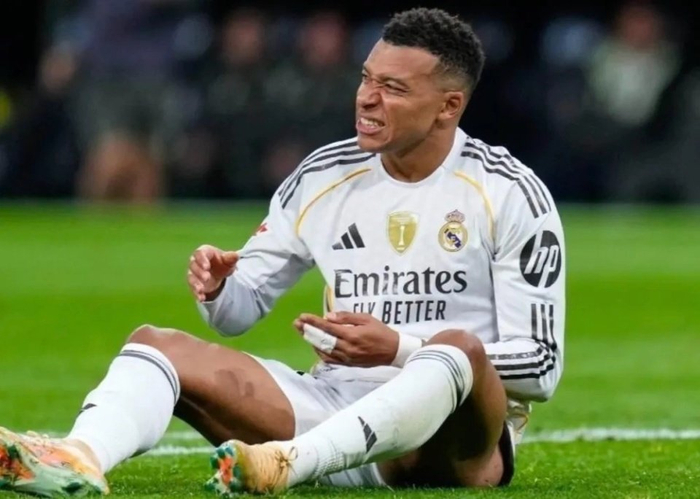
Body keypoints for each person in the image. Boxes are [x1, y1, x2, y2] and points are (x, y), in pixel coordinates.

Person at [0, 7, 565, 497]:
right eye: (366, 78)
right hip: (333, 405)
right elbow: (238, 314)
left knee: (456, 349)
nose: (366, 98)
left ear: (448, 106)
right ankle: (79, 456)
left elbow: (541, 364)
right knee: (155, 344)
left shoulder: (507, 191)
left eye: (393, 88)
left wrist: (400, 349)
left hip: (446, 443)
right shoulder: (323, 176)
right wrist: (221, 288)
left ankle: (290, 463)